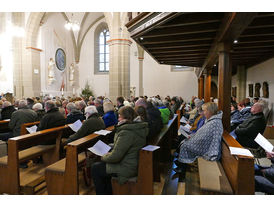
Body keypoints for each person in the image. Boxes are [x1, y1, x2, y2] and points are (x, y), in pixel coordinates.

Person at [91, 106, 148, 195]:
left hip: (127, 167)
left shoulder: (126, 132)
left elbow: (116, 157)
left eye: (120, 116)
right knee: (100, 167)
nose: (118, 119)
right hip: (131, 161)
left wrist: (103, 156)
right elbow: (124, 146)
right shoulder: (135, 127)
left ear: (126, 118)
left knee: (96, 168)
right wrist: (110, 148)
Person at [174, 102, 223, 175]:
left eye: (205, 110)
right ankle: (181, 163)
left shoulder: (215, 122)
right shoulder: (212, 119)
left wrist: (194, 138)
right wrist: (194, 136)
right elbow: (203, 132)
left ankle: (182, 167)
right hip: (203, 141)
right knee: (184, 142)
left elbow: (213, 138)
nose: (203, 112)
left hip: (207, 147)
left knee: (185, 145)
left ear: (210, 111)